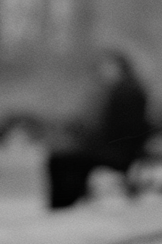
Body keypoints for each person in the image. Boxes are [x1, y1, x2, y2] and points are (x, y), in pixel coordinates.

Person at [45, 49, 152, 210]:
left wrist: (84, 136)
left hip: (116, 152)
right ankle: (64, 203)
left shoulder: (126, 92)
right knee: (62, 156)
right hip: (113, 148)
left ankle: (62, 205)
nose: (103, 71)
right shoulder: (121, 90)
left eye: (107, 66)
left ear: (119, 67)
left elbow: (119, 129)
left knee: (63, 159)